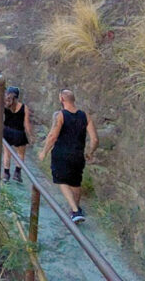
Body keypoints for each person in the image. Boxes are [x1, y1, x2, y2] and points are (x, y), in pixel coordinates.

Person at [39, 89, 99, 224]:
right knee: (75, 183)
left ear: (61, 99)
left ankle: (75, 211)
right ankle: (75, 210)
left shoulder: (60, 115)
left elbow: (53, 136)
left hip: (61, 153)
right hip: (78, 155)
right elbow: (95, 139)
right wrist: (90, 152)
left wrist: (44, 152)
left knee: (61, 181)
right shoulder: (85, 116)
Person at [2, 87, 32, 183]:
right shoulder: (24, 107)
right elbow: (26, 124)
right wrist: (30, 135)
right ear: (18, 96)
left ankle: (6, 174)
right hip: (19, 133)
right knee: (20, 154)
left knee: (7, 153)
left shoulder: (5, 105)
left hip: (7, 131)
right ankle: (17, 173)